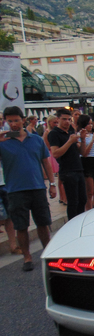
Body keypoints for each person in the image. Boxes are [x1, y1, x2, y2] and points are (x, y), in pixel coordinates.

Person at [0, 107, 56, 271]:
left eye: (16, 120)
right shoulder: (4, 142)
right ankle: (27, 257)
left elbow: (46, 162)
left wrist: (52, 184)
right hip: (15, 190)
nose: (13, 124)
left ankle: (47, 253)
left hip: (37, 187)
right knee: (21, 226)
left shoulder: (36, 140)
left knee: (43, 223)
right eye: (9, 121)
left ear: (23, 120)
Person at [48, 109, 87, 221]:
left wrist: (83, 139)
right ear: (58, 119)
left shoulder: (71, 131)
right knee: (73, 201)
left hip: (78, 168)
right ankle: (72, 224)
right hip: (67, 171)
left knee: (82, 199)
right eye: (64, 119)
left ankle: (79, 222)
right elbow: (55, 153)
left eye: (69, 119)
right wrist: (69, 142)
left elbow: (82, 152)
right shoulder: (54, 134)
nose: (67, 122)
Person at [43, 115, 66, 205]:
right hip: (52, 154)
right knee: (60, 177)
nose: (56, 124)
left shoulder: (57, 132)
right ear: (49, 123)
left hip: (57, 152)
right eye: (54, 122)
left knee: (61, 177)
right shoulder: (48, 132)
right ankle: (62, 197)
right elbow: (47, 146)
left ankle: (63, 197)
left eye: (57, 122)